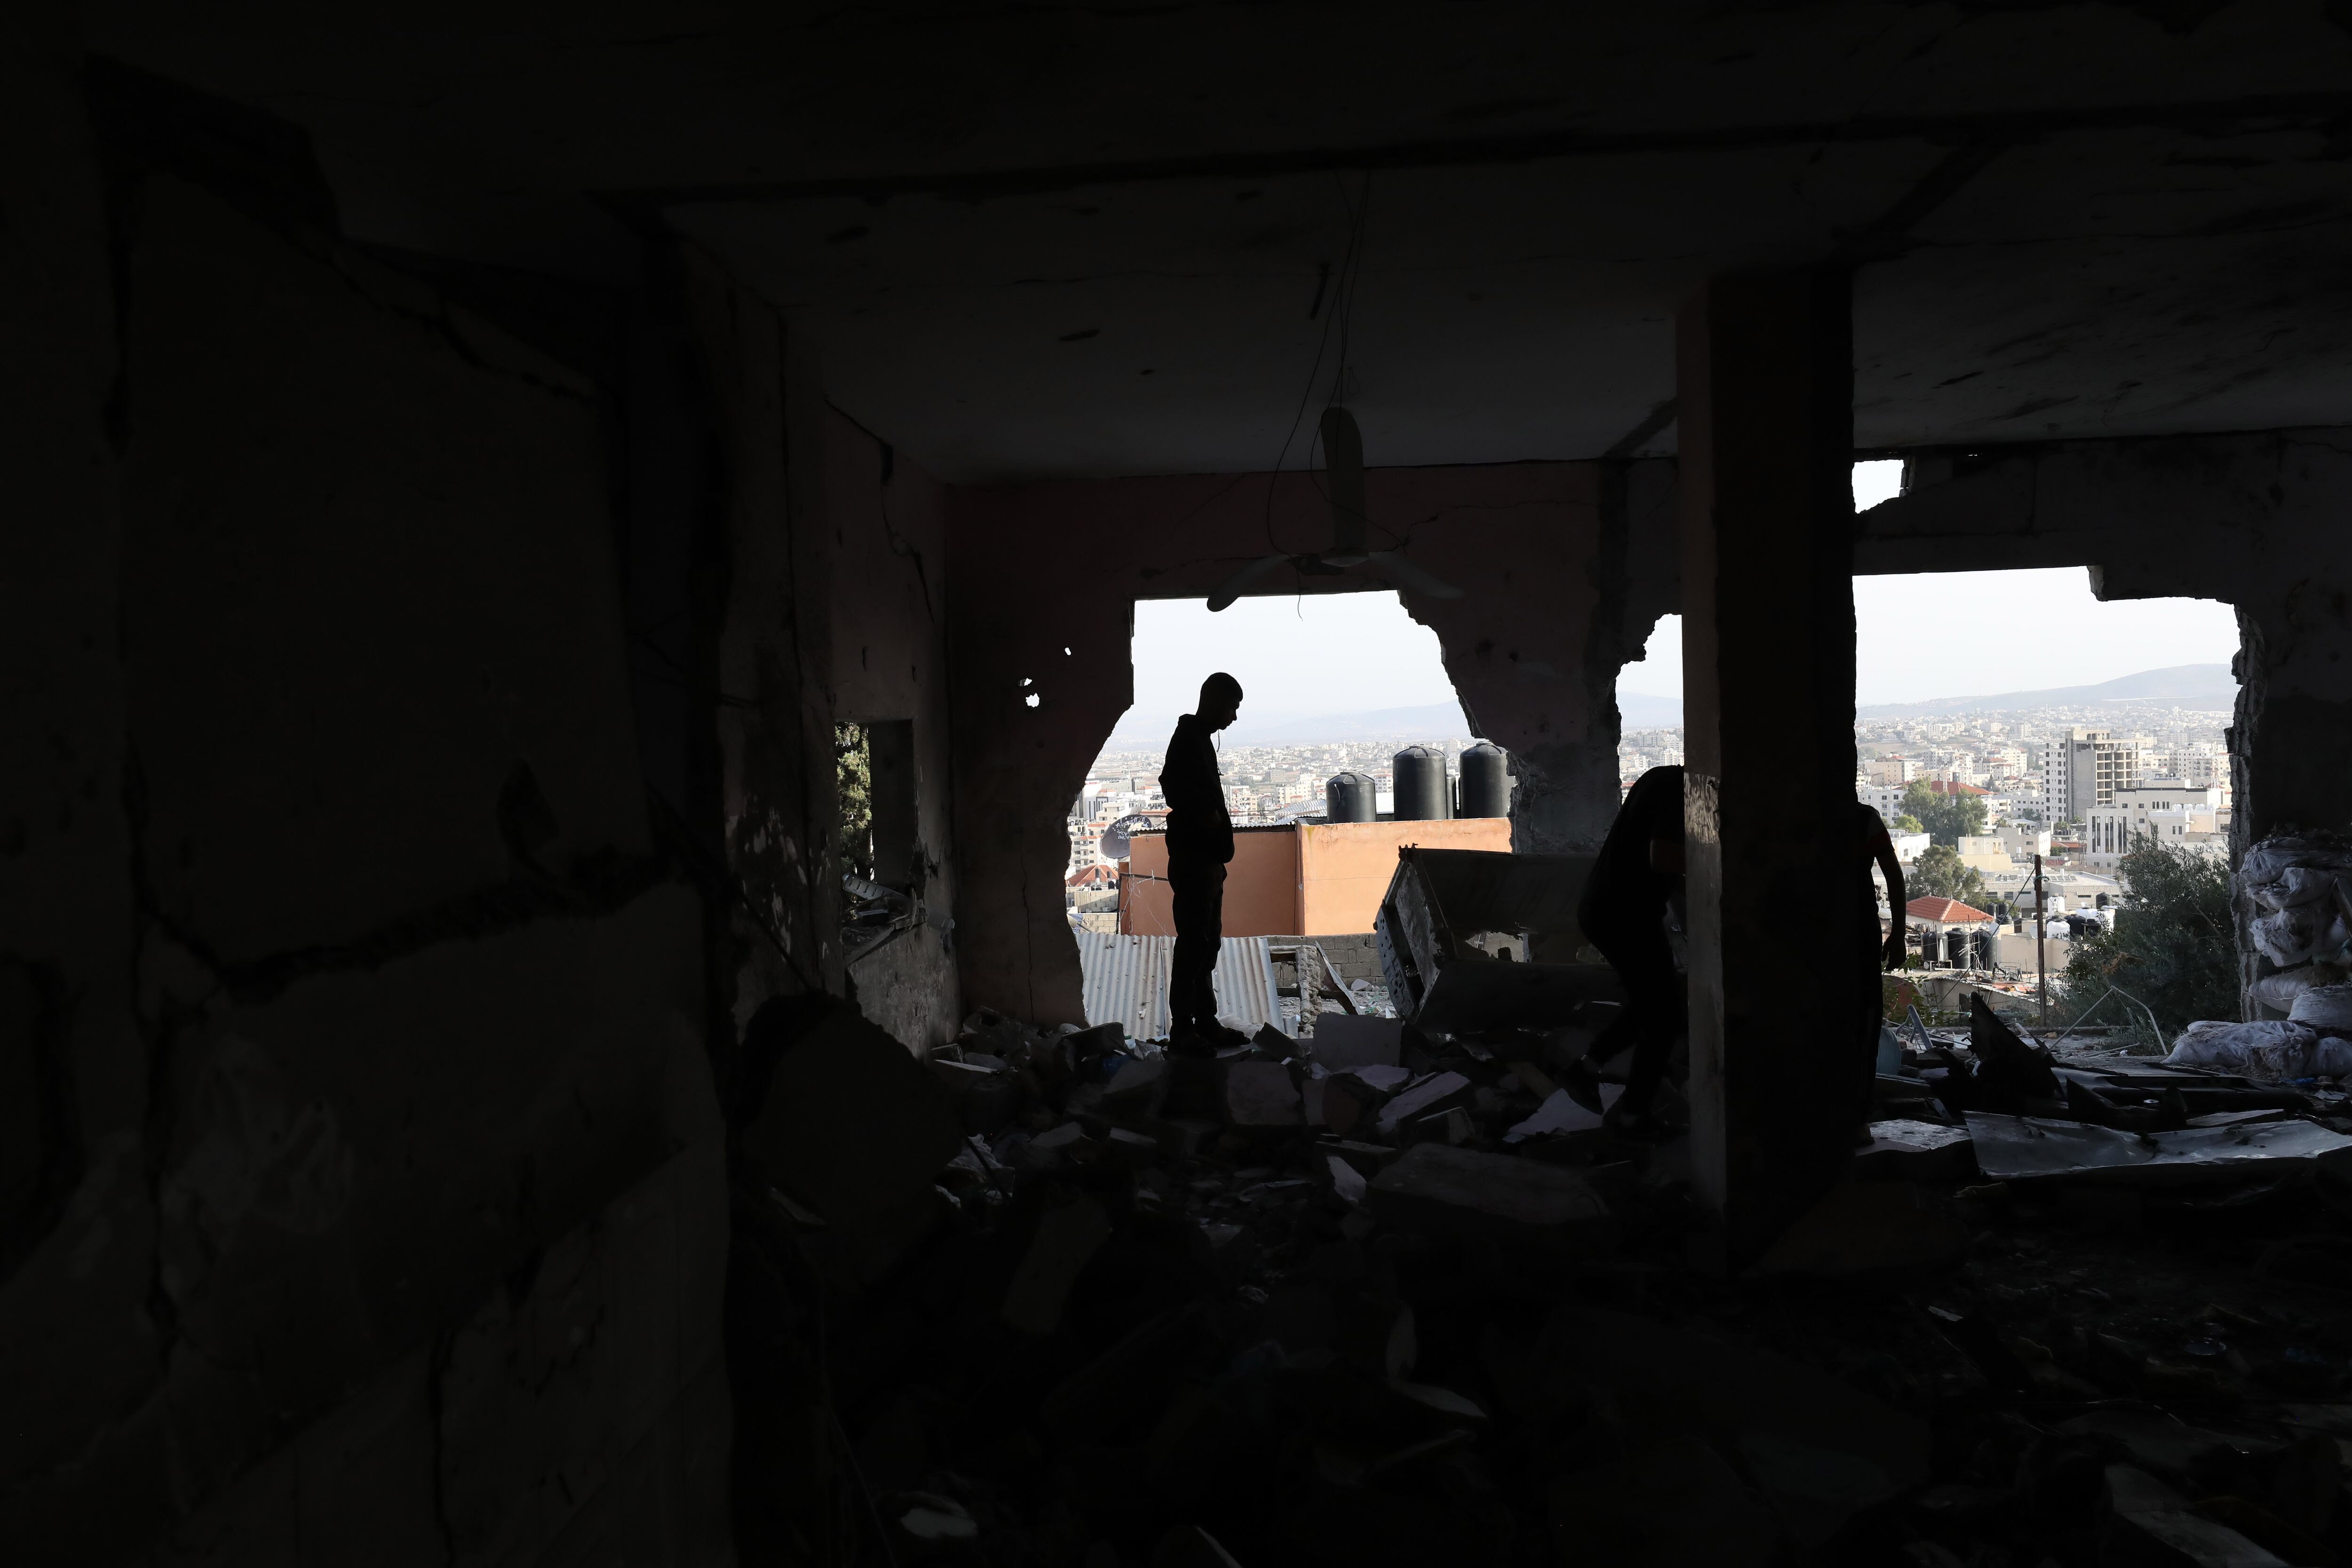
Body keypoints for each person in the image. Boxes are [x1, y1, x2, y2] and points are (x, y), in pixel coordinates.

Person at [1565, 764, 1686, 1137]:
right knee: (1664, 1015)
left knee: (1652, 1004)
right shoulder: (1677, 790)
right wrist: (1718, 862)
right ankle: (1634, 1116)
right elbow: (1662, 858)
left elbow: (1664, 871)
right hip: (1626, 915)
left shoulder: (1660, 779)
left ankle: (1587, 1068)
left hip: (1609, 910)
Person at [1160, 673, 1246, 1049]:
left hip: (1206, 860)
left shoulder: (1198, 740)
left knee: (1206, 945)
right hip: (1195, 861)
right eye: (1232, 708)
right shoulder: (1188, 740)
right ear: (1214, 702)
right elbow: (1172, 786)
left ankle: (1205, 1022)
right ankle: (1184, 1029)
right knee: (1194, 945)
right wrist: (1205, 817)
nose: (1234, 717)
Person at [1858, 803, 1908, 1135]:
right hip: (1859, 932)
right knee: (1864, 1024)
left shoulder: (1805, 816)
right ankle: (1858, 1115)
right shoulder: (1865, 820)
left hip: (1827, 936)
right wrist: (1898, 933)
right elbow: (1893, 874)